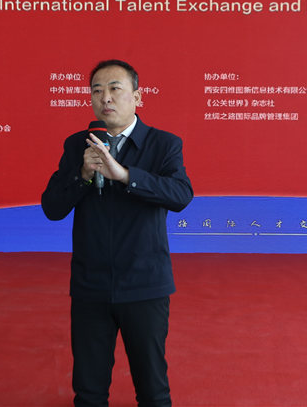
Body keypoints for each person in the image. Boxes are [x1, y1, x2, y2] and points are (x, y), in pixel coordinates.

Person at [41, 59, 193, 407]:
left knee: (153, 390)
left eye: (114, 89)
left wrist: (125, 175)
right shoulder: (77, 145)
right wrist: (83, 174)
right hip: (90, 285)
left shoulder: (163, 144)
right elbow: (52, 208)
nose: (105, 98)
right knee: (88, 392)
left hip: (145, 284)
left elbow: (181, 195)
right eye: (97, 90)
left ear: (137, 97)